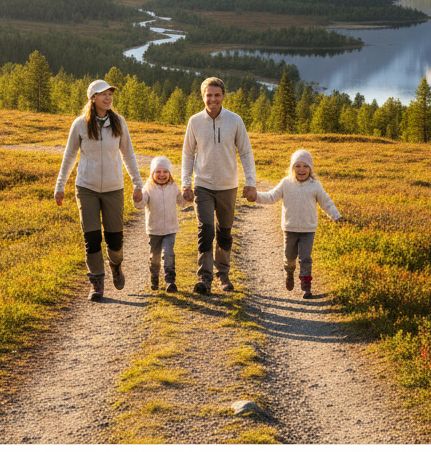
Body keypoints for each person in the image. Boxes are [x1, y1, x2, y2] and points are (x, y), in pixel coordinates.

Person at [55, 78, 143, 301]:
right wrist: (60, 185)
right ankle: (96, 282)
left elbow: (128, 154)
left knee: (115, 241)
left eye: (110, 94)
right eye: (103, 94)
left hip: (114, 189)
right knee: (91, 238)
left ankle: (115, 265)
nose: (108, 98)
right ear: (93, 98)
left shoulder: (119, 122)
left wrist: (137, 184)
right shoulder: (80, 124)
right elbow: (69, 156)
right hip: (87, 188)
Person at [181, 76, 257, 294]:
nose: (212, 99)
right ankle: (204, 279)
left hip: (228, 186)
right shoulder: (194, 121)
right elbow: (187, 154)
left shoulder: (235, 120)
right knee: (205, 229)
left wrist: (250, 183)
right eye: (209, 95)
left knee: (224, 232)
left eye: (217, 95)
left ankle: (223, 276)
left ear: (223, 96)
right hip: (203, 185)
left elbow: (246, 152)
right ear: (203, 96)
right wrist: (186, 183)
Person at [255, 148, 341, 299]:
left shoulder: (315, 185)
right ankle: (289, 273)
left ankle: (306, 287)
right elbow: (271, 196)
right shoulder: (286, 183)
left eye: (305, 166)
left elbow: (326, 203)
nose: (302, 170)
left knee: (305, 258)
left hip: (308, 229)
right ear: (292, 167)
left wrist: (337, 217)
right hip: (290, 228)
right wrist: (255, 196)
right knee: (289, 257)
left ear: (311, 169)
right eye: (298, 166)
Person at [135, 156, 183, 292]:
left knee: (168, 254)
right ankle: (154, 278)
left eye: (165, 172)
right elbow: (140, 204)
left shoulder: (173, 187)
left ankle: (170, 281)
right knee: (154, 256)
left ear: (170, 173)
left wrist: (188, 196)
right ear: (152, 173)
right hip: (154, 229)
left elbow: (182, 202)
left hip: (170, 228)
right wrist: (137, 197)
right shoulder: (148, 188)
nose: (162, 175)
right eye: (158, 172)